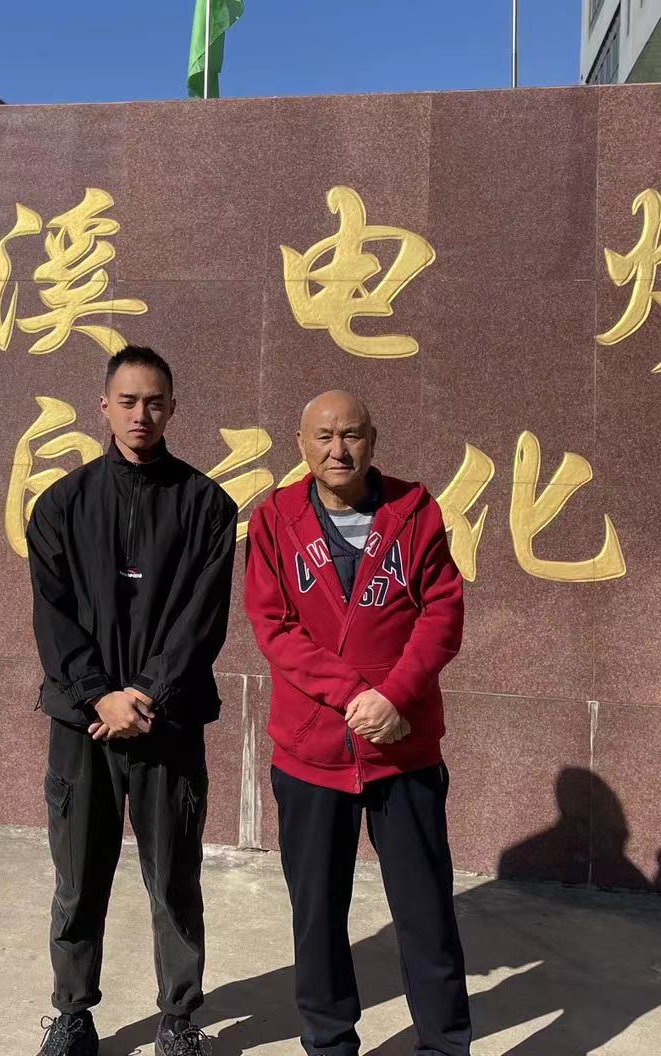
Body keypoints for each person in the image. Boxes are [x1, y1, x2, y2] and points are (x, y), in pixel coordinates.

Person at [244, 390, 471, 1056]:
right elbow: (273, 626)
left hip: (404, 749)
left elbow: (442, 613)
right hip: (311, 752)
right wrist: (354, 697)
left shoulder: (414, 512)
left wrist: (395, 697)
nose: (337, 450)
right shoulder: (275, 520)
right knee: (317, 917)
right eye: (323, 436)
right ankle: (329, 1043)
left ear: (373, 439)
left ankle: (444, 1045)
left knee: (425, 913)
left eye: (351, 435)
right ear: (300, 444)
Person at [29, 345, 238, 1056]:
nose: (140, 414)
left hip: (167, 722)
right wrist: (99, 697)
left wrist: (145, 692)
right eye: (127, 401)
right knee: (77, 878)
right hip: (82, 726)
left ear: (173, 408)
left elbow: (201, 620)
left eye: (153, 402)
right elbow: (53, 618)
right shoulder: (61, 505)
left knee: (173, 879)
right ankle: (72, 1014)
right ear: (104, 407)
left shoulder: (207, 505)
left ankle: (178, 1018)